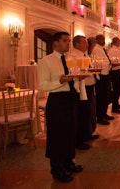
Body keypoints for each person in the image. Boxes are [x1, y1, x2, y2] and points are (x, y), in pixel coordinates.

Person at [38, 32, 83, 183]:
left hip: (71, 99)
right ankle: (57, 168)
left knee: (71, 132)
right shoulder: (46, 61)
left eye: (69, 41)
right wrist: (60, 81)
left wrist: (78, 78)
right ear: (56, 43)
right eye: (65, 41)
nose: (68, 44)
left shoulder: (69, 59)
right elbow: (43, 85)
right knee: (57, 135)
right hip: (57, 101)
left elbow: (72, 79)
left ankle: (68, 162)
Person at [70, 35, 99, 150]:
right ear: (77, 44)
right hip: (82, 87)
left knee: (90, 112)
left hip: (90, 85)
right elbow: (74, 72)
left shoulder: (84, 54)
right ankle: (79, 139)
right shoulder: (73, 56)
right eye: (84, 42)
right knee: (83, 113)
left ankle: (87, 133)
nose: (87, 44)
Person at [91, 34, 114, 125]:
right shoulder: (96, 49)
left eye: (104, 39)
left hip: (106, 74)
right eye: (102, 39)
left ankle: (104, 113)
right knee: (101, 97)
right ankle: (100, 117)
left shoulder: (101, 48)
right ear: (97, 40)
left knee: (106, 96)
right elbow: (97, 62)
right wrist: (107, 65)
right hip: (101, 75)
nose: (103, 41)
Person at [107, 37, 120, 113]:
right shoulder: (113, 50)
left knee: (118, 88)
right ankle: (114, 107)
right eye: (119, 42)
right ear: (117, 42)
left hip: (117, 70)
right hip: (114, 72)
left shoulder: (114, 50)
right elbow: (111, 62)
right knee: (116, 89)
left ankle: (116, 104)